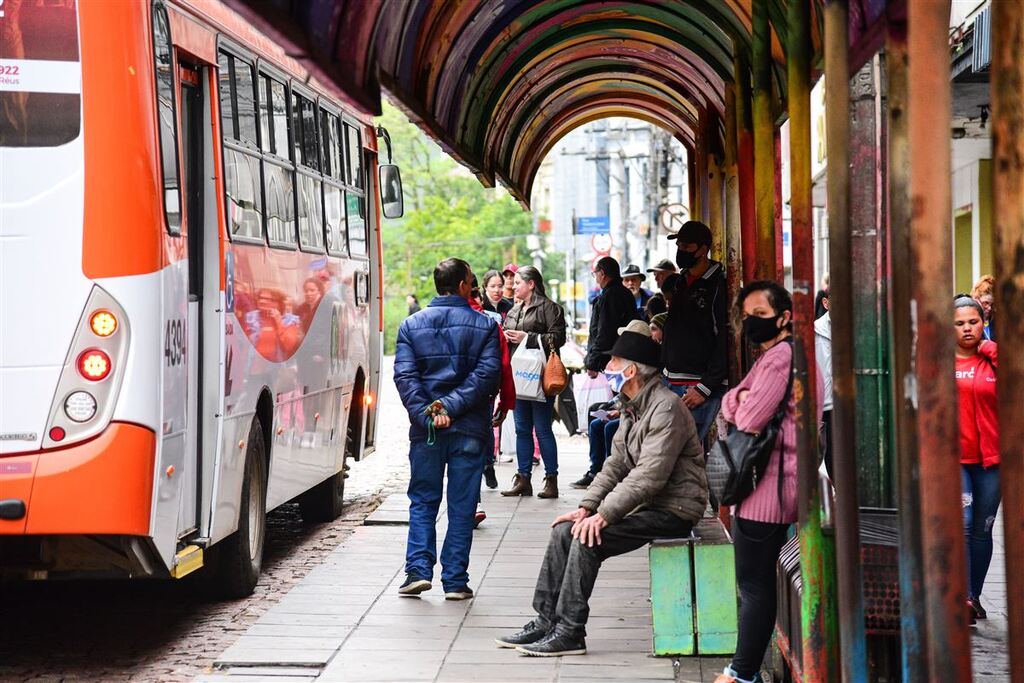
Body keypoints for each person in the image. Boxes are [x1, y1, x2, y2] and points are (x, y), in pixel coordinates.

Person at [495, 322, 707, 657]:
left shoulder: (666, 408)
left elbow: (650, 476)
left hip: (674, 508)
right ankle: (545, 620)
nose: (607, 369)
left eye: (613, 363)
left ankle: (570, 631)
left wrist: (604, 515)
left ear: (632, 369)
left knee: (587, 539)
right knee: (566, 529)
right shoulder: (633, 404)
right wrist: (587, 507)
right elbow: (616, 465)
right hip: (648, 504)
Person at [714, 281, 822, 683]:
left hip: (768, 488)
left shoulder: (778, 360)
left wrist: (738, 402)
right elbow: (735, 401)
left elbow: (747, 417)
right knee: (759, 584)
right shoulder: (792, 355)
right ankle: (745, 671)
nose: (751, 323)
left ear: (784, 317)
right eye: (746, 316)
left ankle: (742, 673)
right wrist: (736, 400)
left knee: (754, 585)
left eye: (759, 315)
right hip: (782, 482)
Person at [393, 258, 502, 600]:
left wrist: (431, 412)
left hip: (427, 431)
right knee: (462, 505)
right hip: (468, 427)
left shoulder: (411, 326)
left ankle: (417, 571)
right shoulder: (484, 326)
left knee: (423, 500)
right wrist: (449, 407)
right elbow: (486, 377)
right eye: (472, 281)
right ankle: (455, 580)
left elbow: (406, 378)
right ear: (463, 286)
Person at [500, 266, 567, 499]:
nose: (513, 285)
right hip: (517, 376)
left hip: (539, 376)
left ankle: (551, 480)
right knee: (521, 429)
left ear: (531, 284)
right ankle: (523, 478)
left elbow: (559, 339)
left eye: (518, 282)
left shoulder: (550, 308)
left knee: (542, 428)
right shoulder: (514, 310)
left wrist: (528, 337)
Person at [954, 295, 1000, 622]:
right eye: (959, 323)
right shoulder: (939, 362)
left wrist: (990, 348)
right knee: (964, 525)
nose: (967, 328)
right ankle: (964, 599)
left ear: (983, 323)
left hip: (992, 461)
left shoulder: (992, 359)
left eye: (973, 322)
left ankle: (974, 594)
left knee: (984, 529)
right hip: (954, 461)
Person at [662, 221, 729, 442]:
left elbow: (725, 339)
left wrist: (705, 387)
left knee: (680, 453)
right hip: (671, 381)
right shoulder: (681, 281)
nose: (681, 251)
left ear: (703, 249)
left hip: (697, 386)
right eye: (679, 245)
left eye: (687, 246)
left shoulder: (718, 285)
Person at [571, 320, 651, 489]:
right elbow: (625, 396)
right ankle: (597, 471)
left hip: (636, 415)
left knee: (608, 428)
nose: (609, 366)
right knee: (598, 421)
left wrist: (621, 411)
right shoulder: (629, 364)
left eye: (614, 360)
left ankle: (612, 477)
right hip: (627, 411)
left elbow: (641, 400)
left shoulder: (647, 371)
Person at [467, 281, 516, 525]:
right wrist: (505, 402)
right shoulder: (489, 323)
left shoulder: (423, 320)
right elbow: (503, 364)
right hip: (480, 397)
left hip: (442, 404)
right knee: (472, 449)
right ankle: (472, 502)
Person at [584, 256, 638, 378]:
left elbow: (605, 332)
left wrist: (593, 363)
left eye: (595, 274)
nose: (596, 279)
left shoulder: (609, 296)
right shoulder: (626, 293)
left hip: (611, 362)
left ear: (602, 273)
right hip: (627, 355)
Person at [814, 289, 833, 479]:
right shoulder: (814, 331)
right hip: (824, 405)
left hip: (849, 404)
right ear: (826, 303)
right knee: (828, 456)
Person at [971, 274, 996, 341]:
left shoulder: (997, 321)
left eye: (992, 304)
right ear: (976, 299)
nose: (990, 308)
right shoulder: (967, 320)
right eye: (985, 303)